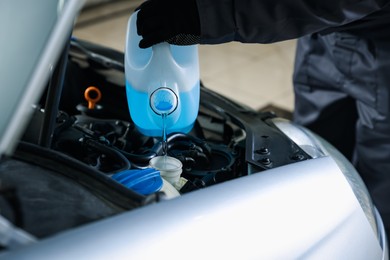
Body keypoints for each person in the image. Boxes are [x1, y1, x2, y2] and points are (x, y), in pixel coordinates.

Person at [135, 0, 390, 234]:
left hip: (380, 40)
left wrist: (209, 12)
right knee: (316, 158)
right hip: (322, 36)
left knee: (381, 183)